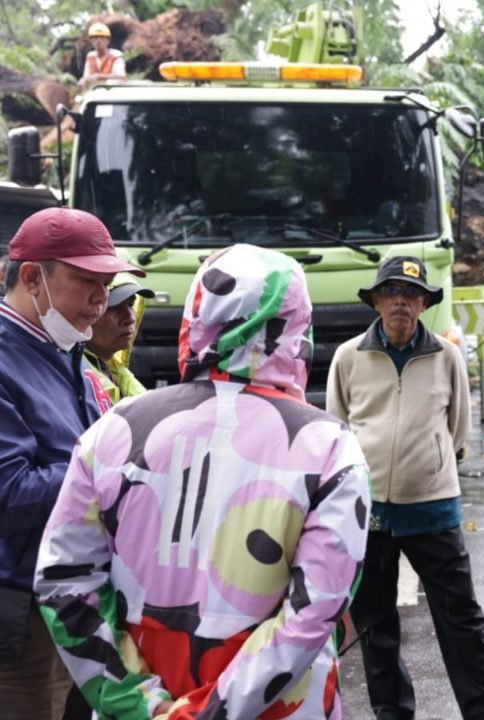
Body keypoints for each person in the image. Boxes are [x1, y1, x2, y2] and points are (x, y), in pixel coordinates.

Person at [33, 244, 370, 718]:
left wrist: (145, 706)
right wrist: (212, 711)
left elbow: (62, 581)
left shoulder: (114, 429)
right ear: (297, 325)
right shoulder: (328, 447)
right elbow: (316, 607)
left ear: (196, 318)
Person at [328, 256, 484, 720]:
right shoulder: (349, 357)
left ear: (425, 302)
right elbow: (337, 429)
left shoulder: (446, 356)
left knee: (461, 621)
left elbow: (457, 429)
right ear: (376, 301)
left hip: (433, 509)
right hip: (369, 513)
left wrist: (426, 464)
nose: (401, 302)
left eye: (411, 294)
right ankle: (392, 713)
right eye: (391, 293)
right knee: (375, 626)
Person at [0, 207, 138, 719]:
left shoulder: (67, 351)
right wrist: (116, 472)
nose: (101, 301)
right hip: (23, 613)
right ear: (33, 277)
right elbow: (10, 492)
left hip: (78, 603)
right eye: (88, 282)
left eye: (107, 284)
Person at [84, 279, 154, 404]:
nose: (131, 318)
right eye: (115, 308)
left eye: (131, 305)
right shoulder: (74, 377)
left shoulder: (115, 371)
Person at [80, 22, 126, 88]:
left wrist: (99, 76)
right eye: (95, 38)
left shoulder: (116, 55)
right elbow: (86, 77)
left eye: (102, 38)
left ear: (108, 41)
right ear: (91, 41)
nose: (98, 41)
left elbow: (121, 77)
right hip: (96, 92)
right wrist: (83, 80)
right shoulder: (90, 56)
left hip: (113, 91)